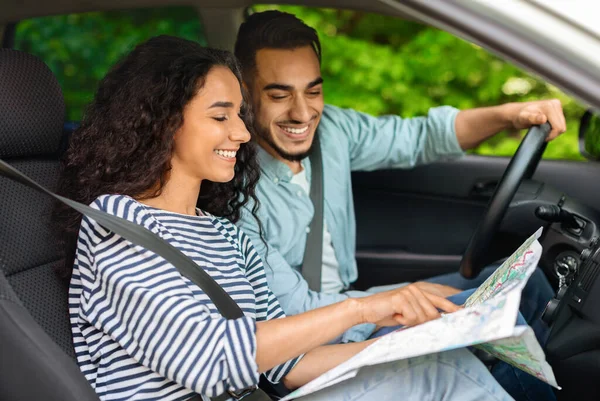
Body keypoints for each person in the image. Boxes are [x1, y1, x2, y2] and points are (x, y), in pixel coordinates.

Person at [56, 35, 513, 401]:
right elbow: (210, 361)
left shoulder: (224, 235)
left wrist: (401, 347)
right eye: (220, 117)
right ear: (162, 123)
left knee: (441, 366)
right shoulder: (120, 228)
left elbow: (286, 367)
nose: (240, 132)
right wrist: (363, 308)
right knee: (440, 379)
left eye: (240, 114)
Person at [233, 10, 560, 401]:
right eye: (279, 94)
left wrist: (511, 115)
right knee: (497, 323)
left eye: (313, 91)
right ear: (244, 92)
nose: (302, 113)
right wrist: (396, 299)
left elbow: (420, 136)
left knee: (532, 287)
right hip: (311, 341)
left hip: (355, 301)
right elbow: (296, 311)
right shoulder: (235, 193)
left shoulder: (332, 131)